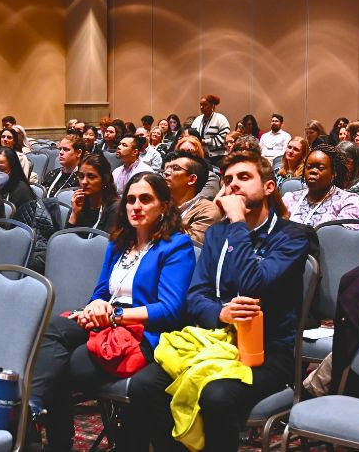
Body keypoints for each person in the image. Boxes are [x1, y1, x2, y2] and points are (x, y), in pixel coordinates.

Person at [123, 149, 313, 452]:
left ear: (268, 187)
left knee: (216, 395)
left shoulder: (294, 236)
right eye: (228, 179)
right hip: (212, 341)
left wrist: (237, 221)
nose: (234, 184)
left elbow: (256, 283)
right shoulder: (217, 235)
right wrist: (222, 312)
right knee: (146, 386)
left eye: (244, 177)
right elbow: (196, 296)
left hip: (266, 352)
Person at [30, 173, 195, 451]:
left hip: (146, 332)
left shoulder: (176, 246)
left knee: (69, 363)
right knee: (49, 332)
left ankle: (51, 436)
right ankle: (32, 409)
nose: (136, 206)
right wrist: (94, 308)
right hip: (107, 322)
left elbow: (169, 309)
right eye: (130, 200)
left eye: (145, 199)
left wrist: (115, 315)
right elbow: (102, 292)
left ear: (164, 206)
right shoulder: (118, 243)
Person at [283, 144, 359, 227]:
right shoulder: (290, 198)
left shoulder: (347, 201)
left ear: (334, 172)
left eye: (320, 168)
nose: (313, 171)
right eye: (309, 167)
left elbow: (343, 238)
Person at [163, 154, 220, 247]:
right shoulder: (160, 204)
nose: (166, 172)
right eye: (167, 168)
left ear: (192, 179)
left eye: (175, 168)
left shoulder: (208, 210)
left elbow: (191, 246)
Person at [67, 154, 119, 233]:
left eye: (91, 177)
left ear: (105, 179)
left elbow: (105, 243)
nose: (84, 182)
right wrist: (74, 213)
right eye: (81, 176)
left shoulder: (115, 208)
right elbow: (64, 240)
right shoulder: (78, 202)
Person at [189, 95, 230, 164]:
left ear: (212, 106)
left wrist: (205, 141)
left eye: (205, 105)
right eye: (200, 105)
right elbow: (191, 135)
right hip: (201, 156)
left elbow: (224, 137)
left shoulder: (221, 118)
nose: (201, 107)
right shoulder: (197, 120)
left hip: (218, 157)